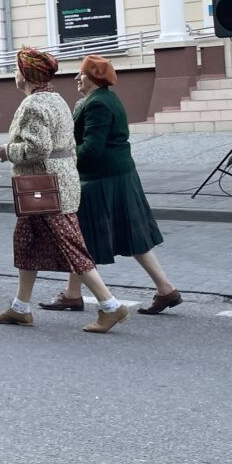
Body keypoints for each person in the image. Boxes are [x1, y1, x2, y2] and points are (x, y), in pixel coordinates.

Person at [0, 47, 128, 333]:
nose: (14, 73)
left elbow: (38, 148)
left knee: (72, 246)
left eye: (17, 69)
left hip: (44, 187)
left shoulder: (34, 104)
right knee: (26, 243)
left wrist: (8, 151)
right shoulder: (56, 98)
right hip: (52, 184)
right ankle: (20, 308)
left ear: (26, 74)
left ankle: (110, 306)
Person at [40, 55, 181, 316]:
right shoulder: (99, 100)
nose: (76, 79)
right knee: (127, 236)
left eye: (81, 74)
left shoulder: (99, 104)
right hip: (116, 176)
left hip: (102, 180)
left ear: (93, 78)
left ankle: (75, 295)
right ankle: (165, 289)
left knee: (81, 238)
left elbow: (91, 150)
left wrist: (61, 158)